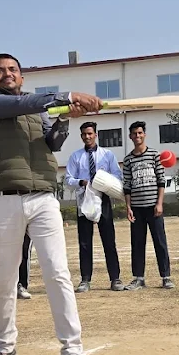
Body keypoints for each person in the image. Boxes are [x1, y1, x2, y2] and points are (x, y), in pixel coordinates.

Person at [0, 53, 100, 355]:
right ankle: (4, 346)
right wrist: (67, 97)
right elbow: (20, 105)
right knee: (5, 278)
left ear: (22, 76)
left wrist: (64, 119)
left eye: (13, 70)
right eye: (0, 71)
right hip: (4, 200)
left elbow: (52, 143)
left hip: (43, 198)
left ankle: (73, 352)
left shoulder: (38, 109)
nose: (7, 74)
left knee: (57, 273)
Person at [64, 121, 124, 293]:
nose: (87, 137)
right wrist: (81, 182)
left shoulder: (107, 155)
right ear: (81, 136)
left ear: (96, 135)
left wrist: (104, 181)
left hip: (103, 199)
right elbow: (68, 179)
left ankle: (115, 278)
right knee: (84, 242)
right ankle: (85, 279)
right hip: (85, 200)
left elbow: (117, 175)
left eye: (90, 133)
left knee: (108, 240)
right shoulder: (76, 157)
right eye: (84, 134)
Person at [122, 120, 173, 290]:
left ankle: (166, 277)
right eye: (134, 133)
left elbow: (161, 180)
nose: (137, 136)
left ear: (144, 134)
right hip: (137, 208)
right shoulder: (128, 160)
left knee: (160, 242)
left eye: (140, 133)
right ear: (130, 136)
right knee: (137, 243)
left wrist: (159, 203)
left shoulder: (154, 155)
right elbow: (127, 185)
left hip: (153, 207)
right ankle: (139, 278)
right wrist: (128, 207)